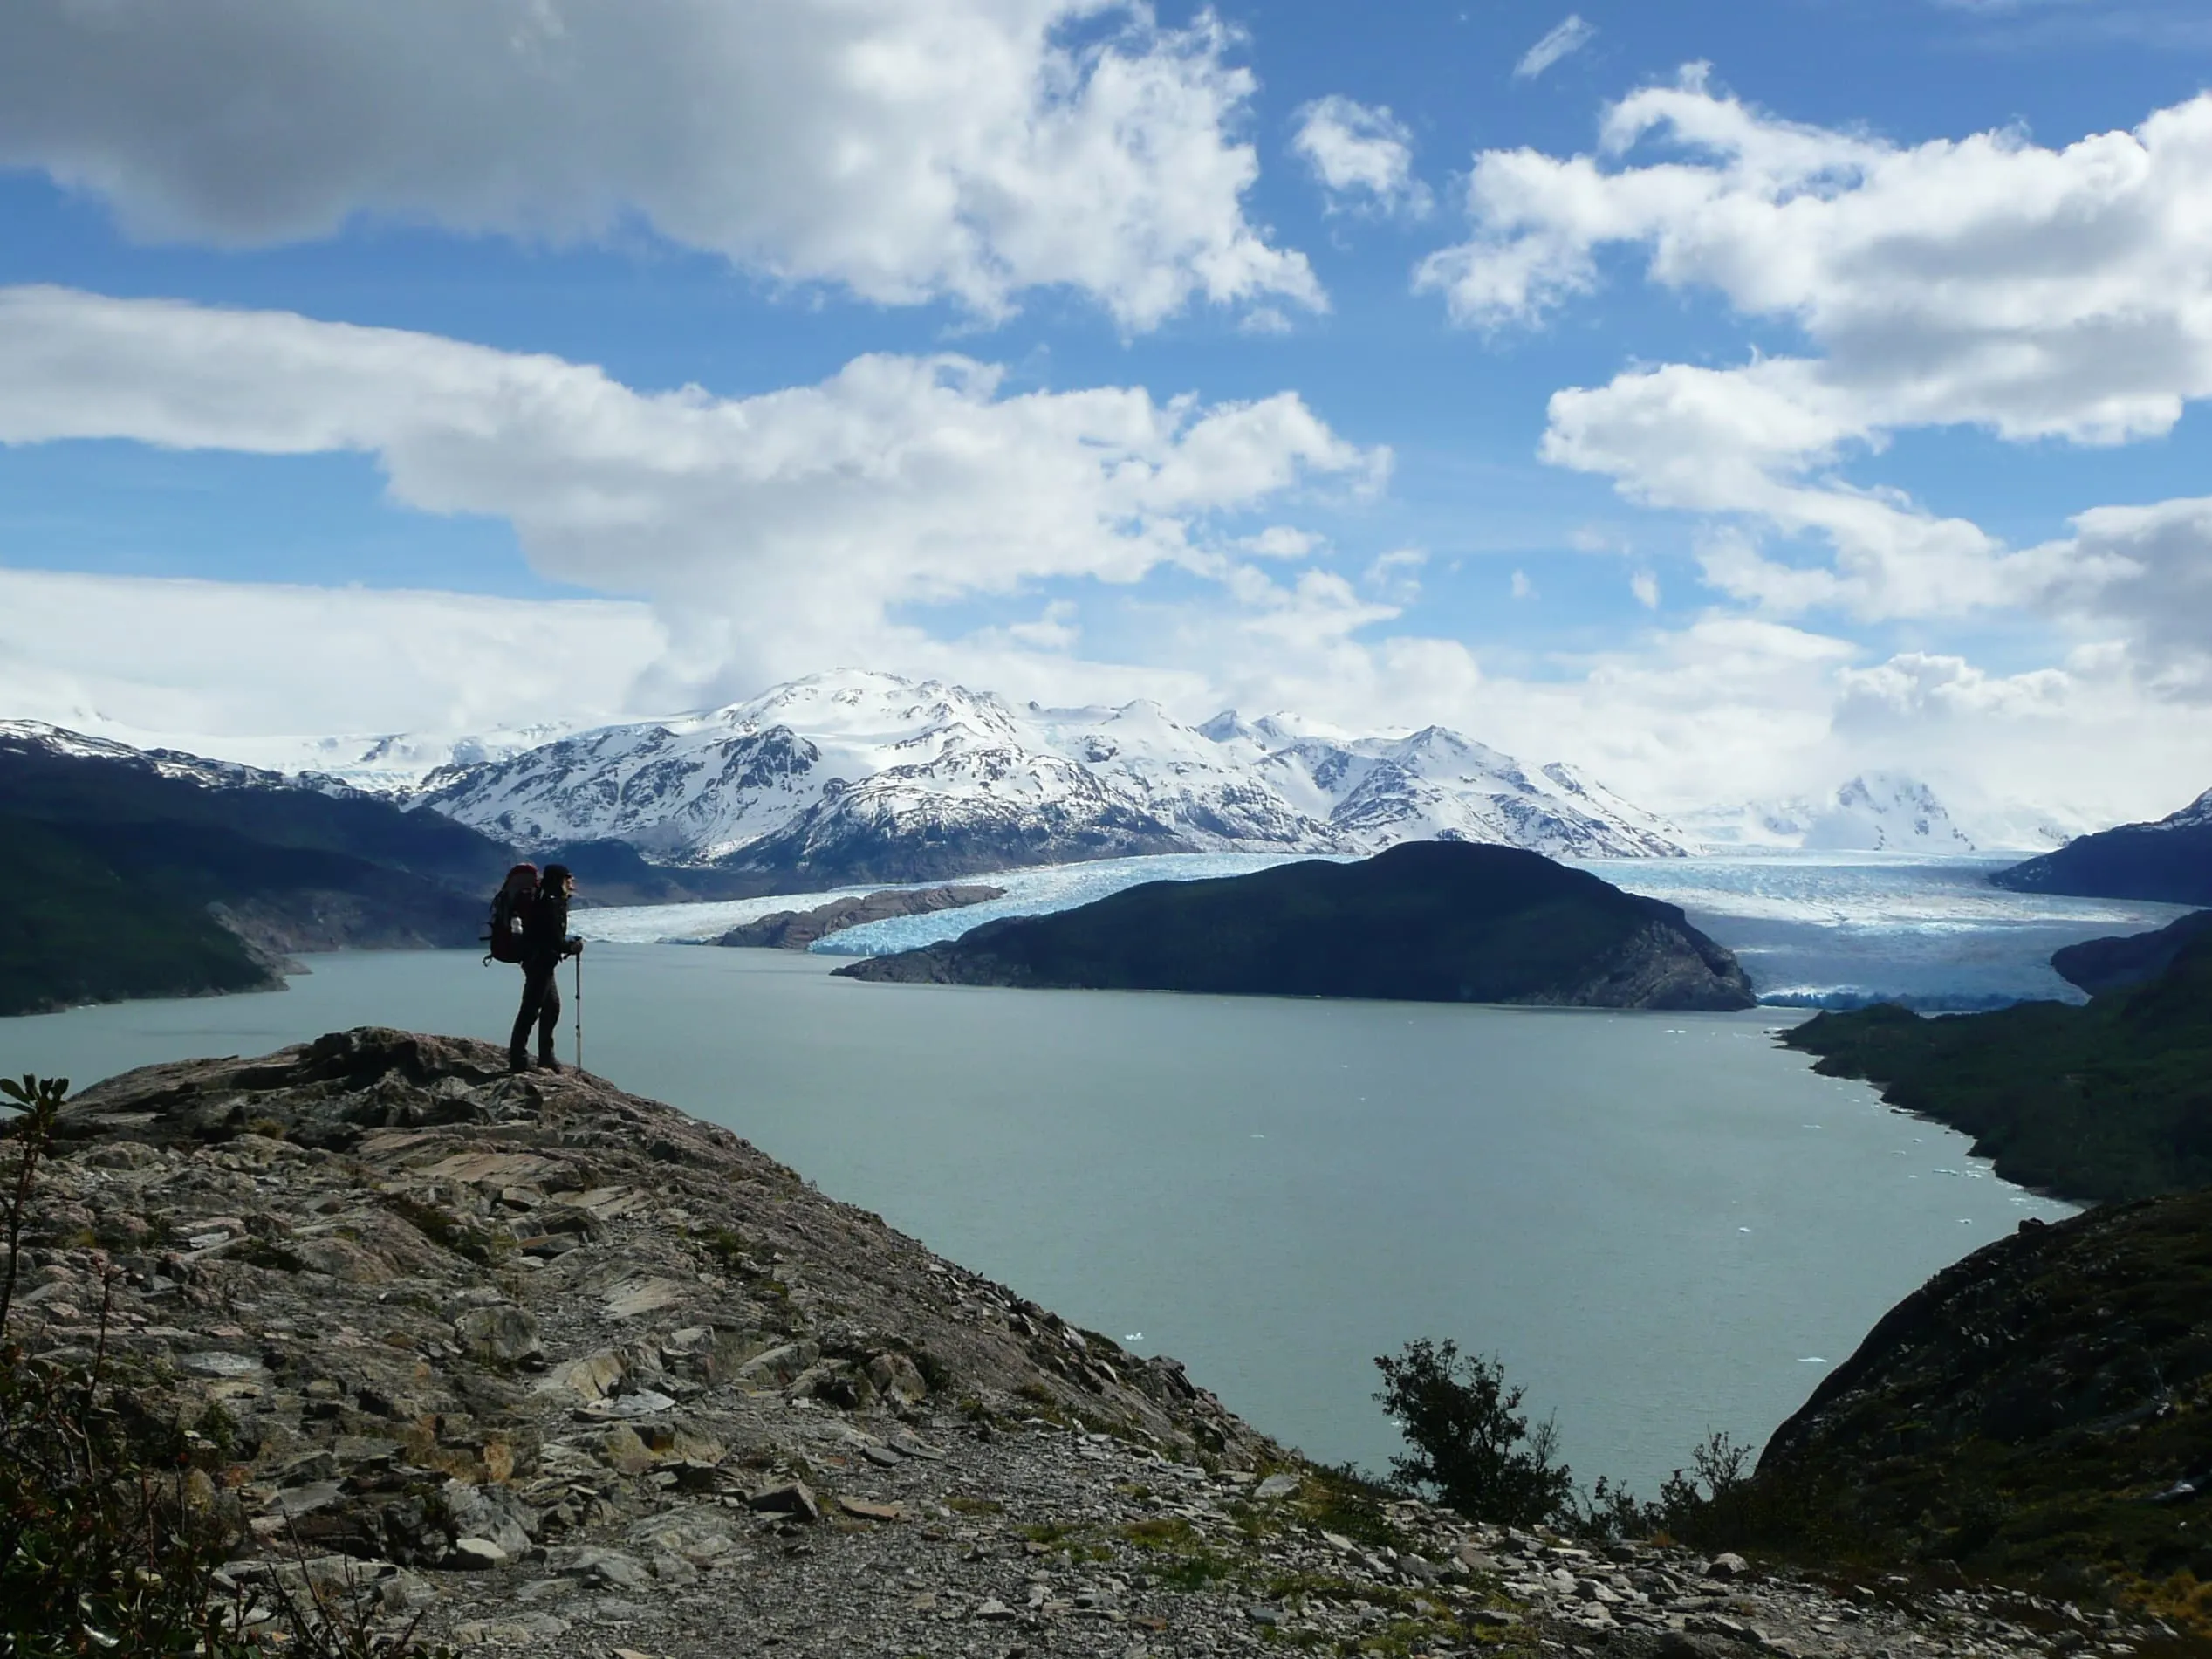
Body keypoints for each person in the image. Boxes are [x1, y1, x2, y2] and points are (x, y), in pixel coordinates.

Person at [510, 862, 582, 1073]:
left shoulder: (545, 899)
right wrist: (573, 946)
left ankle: (543, 1056)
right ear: (560, 880)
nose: (571, 882)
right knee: (531, 1009)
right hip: (539, 962)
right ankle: (520, 1059)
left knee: (549, 1007)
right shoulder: (551, 902)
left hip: (537, 961)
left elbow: (547, 936)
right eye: (568, 879)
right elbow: (553, 939)